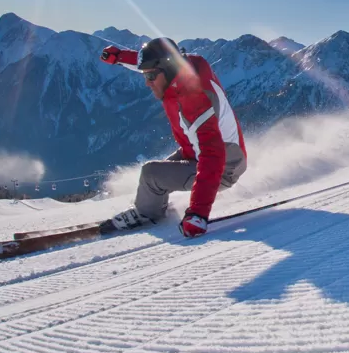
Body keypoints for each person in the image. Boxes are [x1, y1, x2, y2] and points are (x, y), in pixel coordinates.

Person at [100, 37, 248, 237]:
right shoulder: (187, 66)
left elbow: (212, 156)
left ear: (168, 71)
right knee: (156, 175)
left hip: (223, 167)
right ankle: (151, 205)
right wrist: (119, 57)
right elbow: (153, 62)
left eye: (150, 77)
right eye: (146, 75)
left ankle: (147, 214)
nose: (146, 82)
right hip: (204, 151)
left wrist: (198, 214)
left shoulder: (194, 99)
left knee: (151, 174)